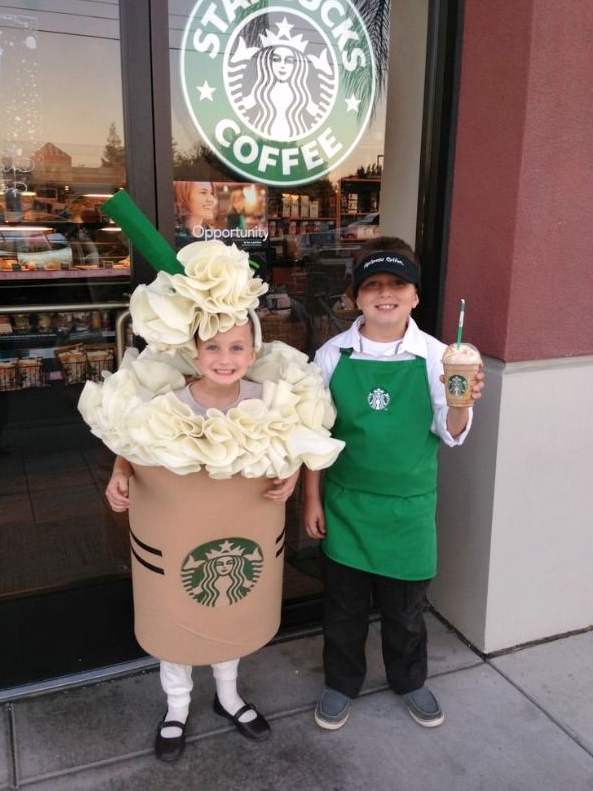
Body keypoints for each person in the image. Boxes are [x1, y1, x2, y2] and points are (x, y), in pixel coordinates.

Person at [303, 236, 485, 731]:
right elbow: (314, 434)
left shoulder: (438, 356)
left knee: (406, 611)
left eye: (398, 284)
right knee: (344, 608)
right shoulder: (331, 355)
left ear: (415, 296)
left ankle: (410, 680)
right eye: (373, 285)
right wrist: (312, 499)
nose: (386, 294)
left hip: (408, 509)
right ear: (356, 297)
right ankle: (341, 682)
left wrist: (464, 400)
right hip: (345, 505)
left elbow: (452, 435)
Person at [106, 319, 299, 762]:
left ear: (253, 355)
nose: (225, 359)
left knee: (226, 612)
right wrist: (120, 473)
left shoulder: (266, 401)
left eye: (237, 348)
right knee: (179, 614)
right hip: (180, 535)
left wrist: (290, 473)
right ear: (195, 355)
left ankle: (228, 697)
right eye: (212, 347)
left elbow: (292, 446)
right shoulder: (167, 405)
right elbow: (130, 445)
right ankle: (177, 708)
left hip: (235, 529)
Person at [174, 181, 217, 247]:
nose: (211, 199)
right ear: (183, 197)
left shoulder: (213, 237)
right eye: (203, 192)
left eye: (211, 193)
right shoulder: (174, 239)